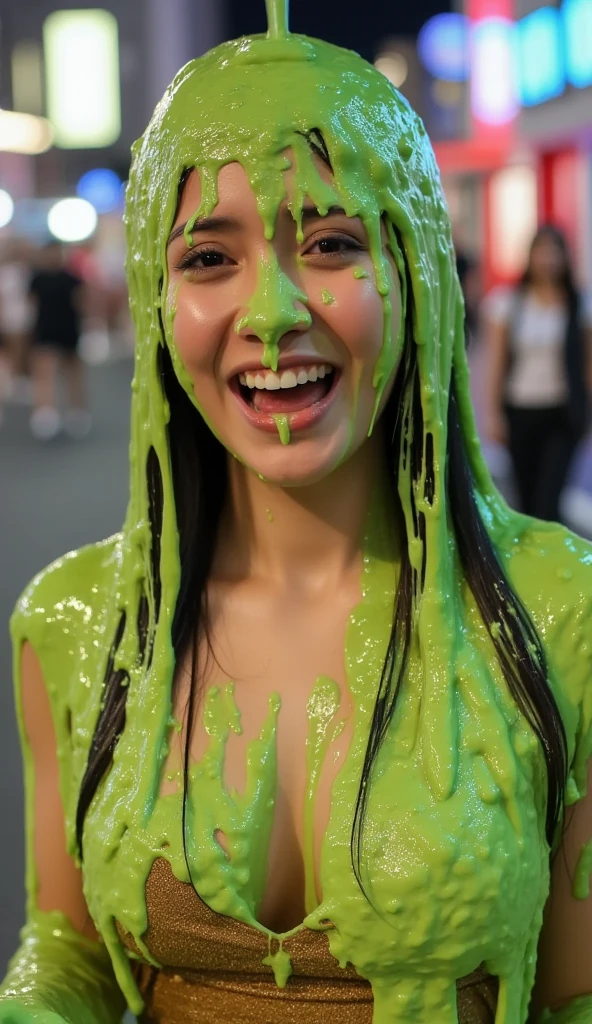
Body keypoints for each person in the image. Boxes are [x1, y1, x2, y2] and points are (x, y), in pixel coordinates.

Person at [1, 4, 592, 1022]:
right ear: (154, 297)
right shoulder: (74, 621)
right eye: (207, 258)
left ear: (413, 276)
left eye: (327, 241)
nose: (271, 312)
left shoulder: (558, 613)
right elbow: (70, 950)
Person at [483, 224, 592, 522]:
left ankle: (554, 564)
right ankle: (533, 562)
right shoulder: (507, 303)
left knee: (549, 499)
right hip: (520, 410)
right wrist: (494, 415)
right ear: (530, 256)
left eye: (554, 251)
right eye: (541, 251)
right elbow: (497, 363)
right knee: (526, 498)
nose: (548, 258)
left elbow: (587, 365)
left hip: (562, 413)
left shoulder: (579, 304)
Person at [28, 241, 91, 440]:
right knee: (44, 371)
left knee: (72, 371)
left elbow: (82, 302)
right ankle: (45, 414)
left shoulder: (72, 279)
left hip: (68, 329)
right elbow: (31, 303)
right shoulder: (37, 278)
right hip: (45, 329)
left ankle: (77, 412)